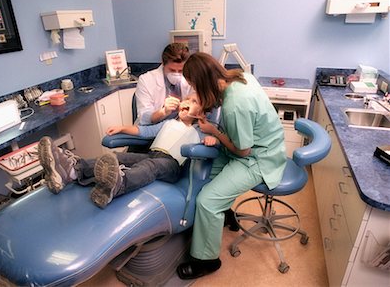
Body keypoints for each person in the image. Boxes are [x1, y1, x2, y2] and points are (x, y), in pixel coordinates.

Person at [176, 52, 287, 280]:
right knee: (205, 174)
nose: (193, 91)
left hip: (259, 158)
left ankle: (207, 261)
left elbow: (242, 150)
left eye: (194, 85)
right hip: (258, 143)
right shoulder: (241, 77)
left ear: (204, 82)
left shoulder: (235, 105)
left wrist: (214, 131)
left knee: (207, 201)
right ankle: (225, 213)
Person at [38, 93, 218, 208]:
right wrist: (122, 128)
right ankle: (71, 170)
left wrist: (211, 139)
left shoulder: (199, 131)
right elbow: (143, 131)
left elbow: (214, 143)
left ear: (201, 114)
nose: (187, 102)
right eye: (187, 98)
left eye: (194, 101)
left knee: (151, 167)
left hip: (172, 166)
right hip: (152, 155)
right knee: (118, 157)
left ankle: (119, 185)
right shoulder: (168, 123)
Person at [135, 43, 194, 125]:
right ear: (163, 63)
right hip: (153, 126)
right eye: (172, 70)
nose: (176, 74)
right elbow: (144, 117)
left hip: (179, 126)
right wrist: (163, 112)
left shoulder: (190, 80)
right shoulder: (146, 80)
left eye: (181, 71)